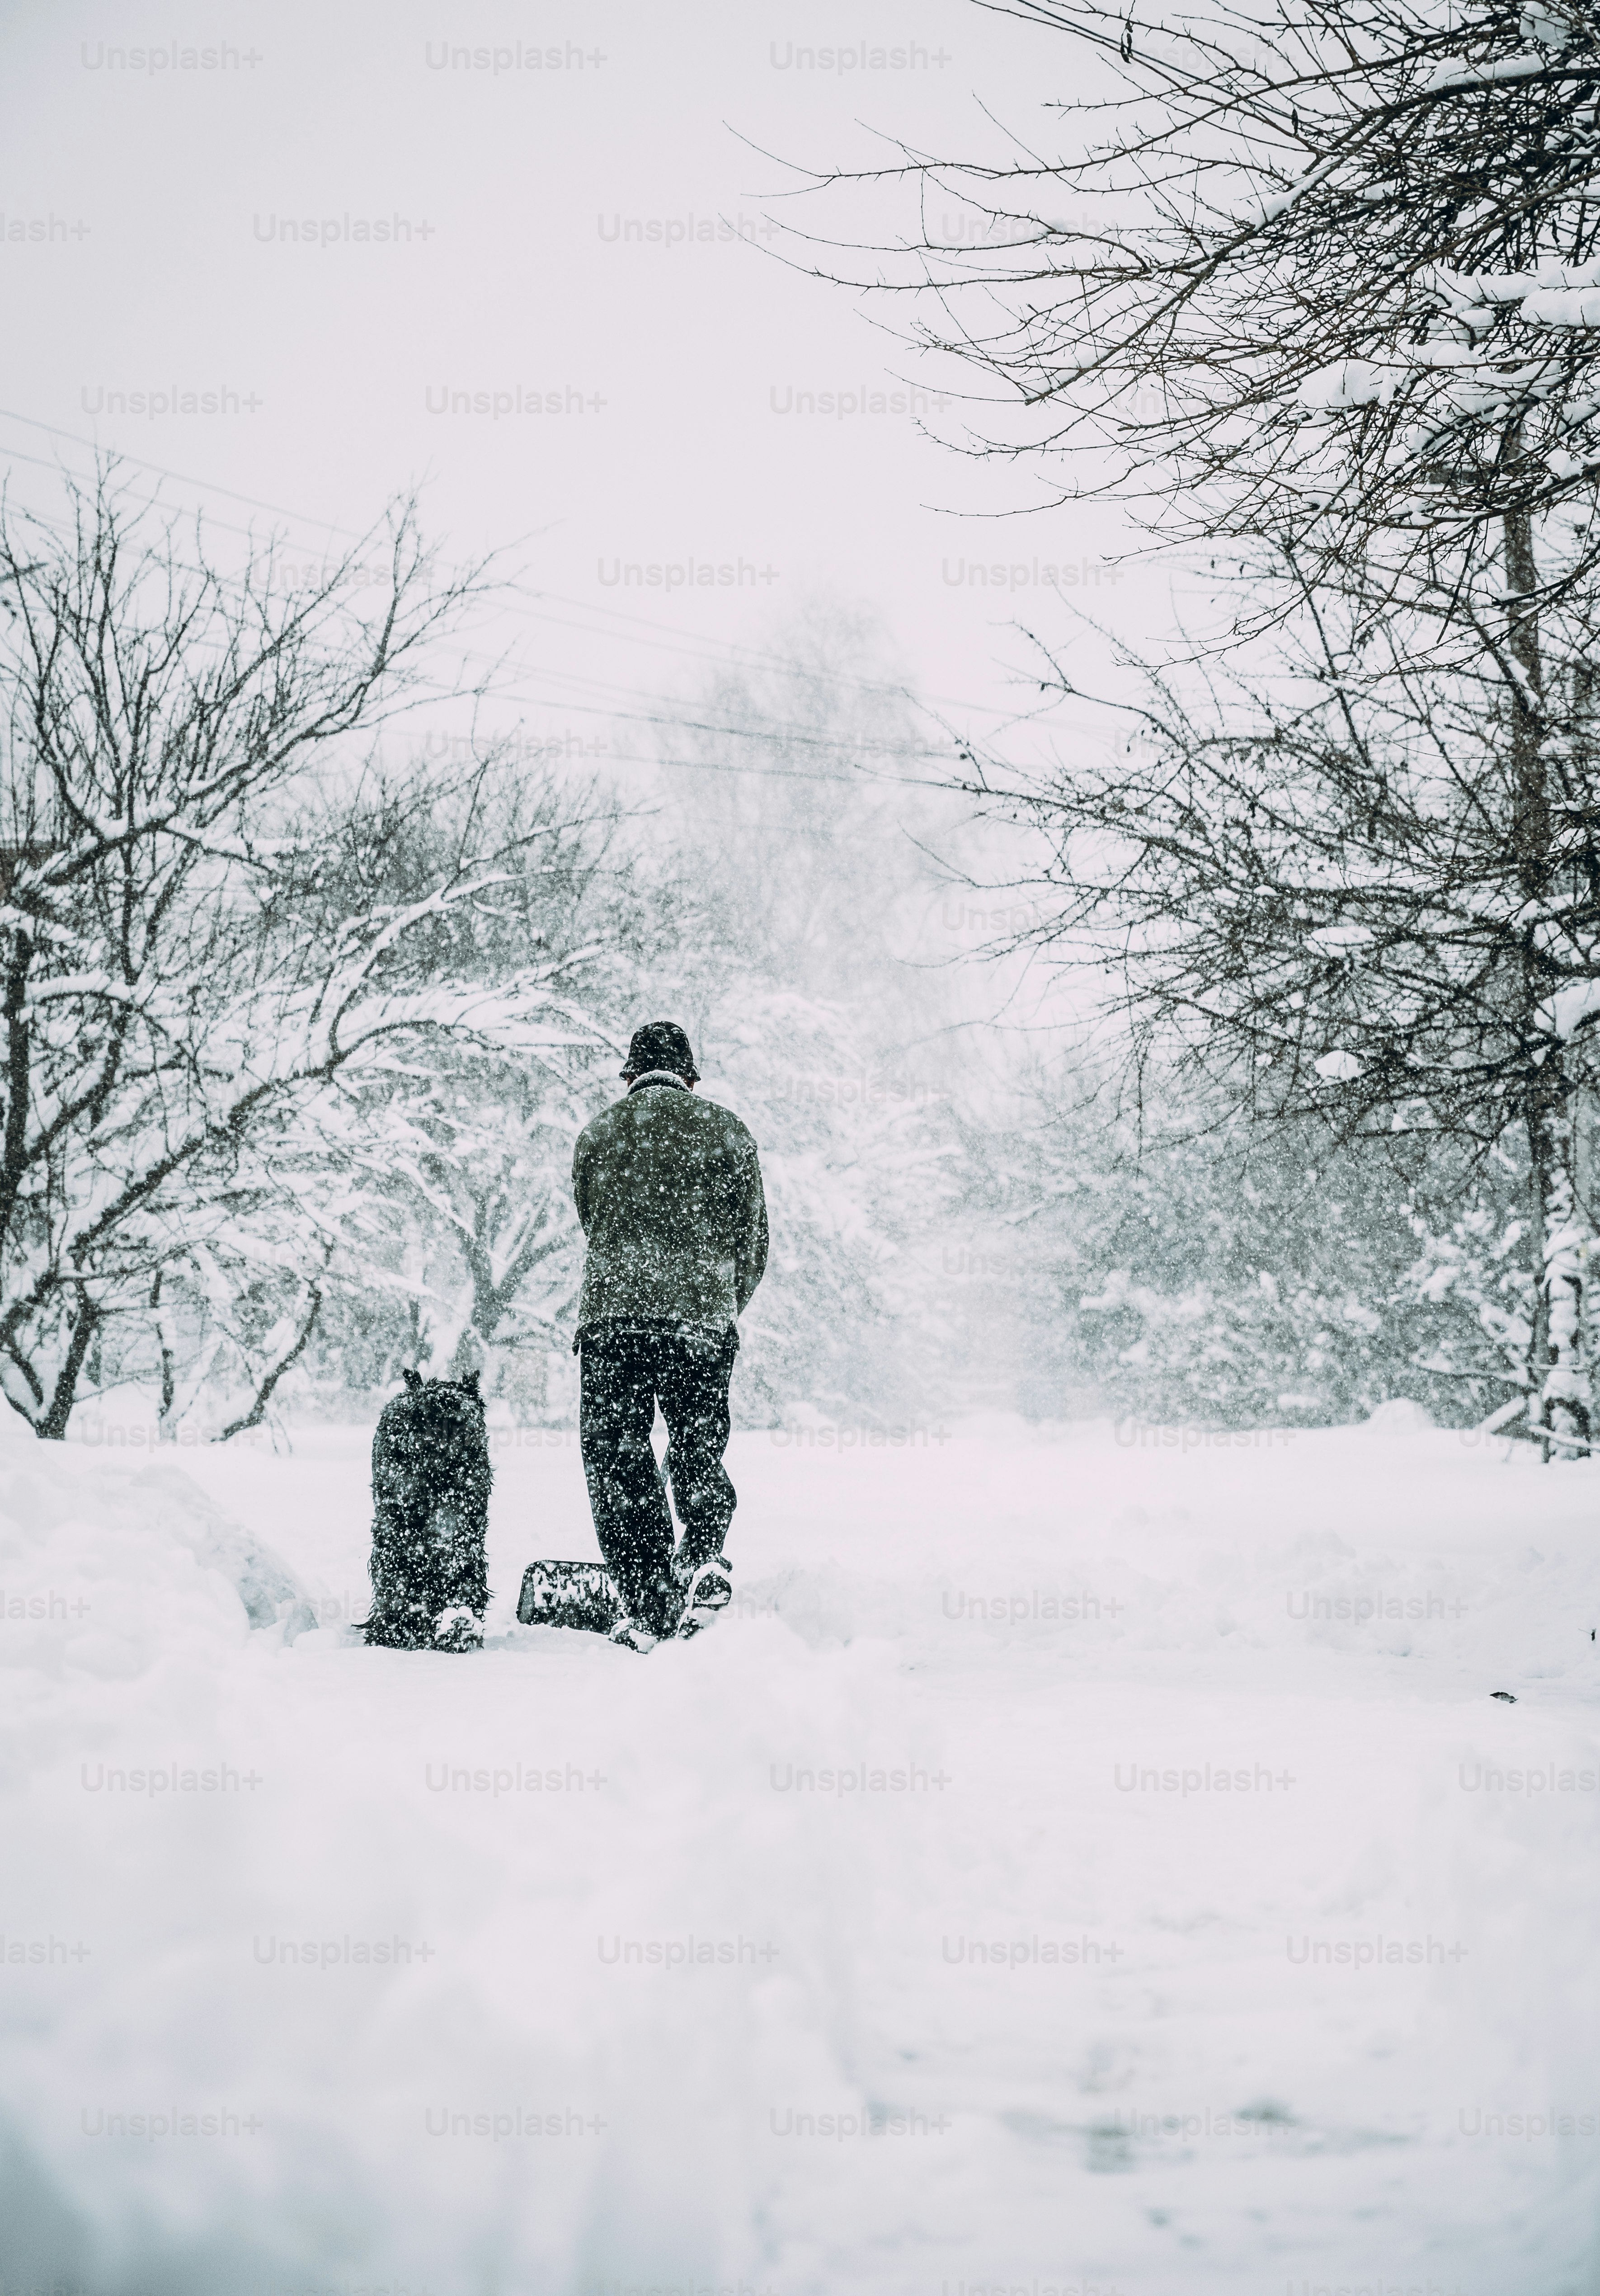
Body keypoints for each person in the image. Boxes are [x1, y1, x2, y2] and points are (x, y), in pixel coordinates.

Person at [571, 1020, 768, 1650]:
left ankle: (649, 1597)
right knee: (697, 1445)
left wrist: (630, 1281)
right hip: (699, 1323)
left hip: (614, 1323)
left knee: (618, 1460)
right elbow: (753, 1242)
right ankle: (701, 1556)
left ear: (631, 1076)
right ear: (690, 1076)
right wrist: (718, 1307)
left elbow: (591, 1221)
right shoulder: (729, 1131)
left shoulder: (598, 1133)